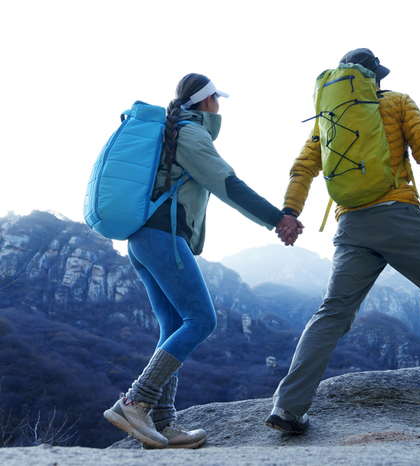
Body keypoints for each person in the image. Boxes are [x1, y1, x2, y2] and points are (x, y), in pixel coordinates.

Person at [267, 49, 420, 436]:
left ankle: (288, 407)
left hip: (350, 224)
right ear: (375, 78)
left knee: (332, 312)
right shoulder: (397, 102)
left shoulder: (329, 117)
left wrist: (290, 211)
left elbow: (304, 166)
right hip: (397, 215)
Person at [103, 73, 303, 449]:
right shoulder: (191, 134)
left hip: (143, 240)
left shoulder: (173, 131)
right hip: (163, 237)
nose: (220, 106)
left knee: (174, 326)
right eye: (217, 100)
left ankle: (163, 424)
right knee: (202, 319)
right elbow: (229, 184)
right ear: (207, 101)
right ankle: (134, 401)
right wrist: (279, 218)